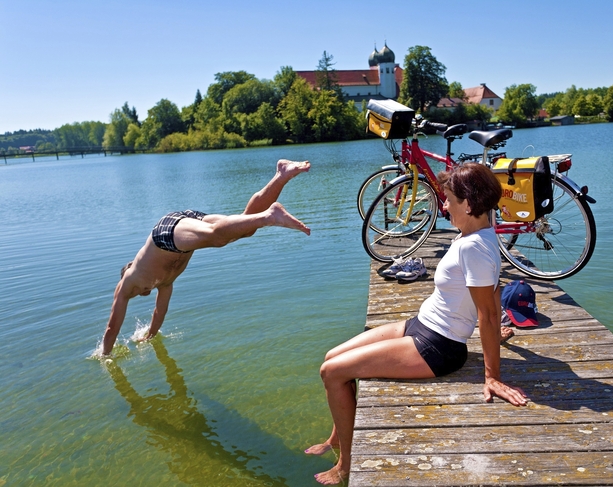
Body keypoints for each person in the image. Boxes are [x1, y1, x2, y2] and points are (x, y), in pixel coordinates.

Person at [305, 163, 528, 485]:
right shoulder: (479, 235)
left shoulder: (474, 247)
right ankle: (337, 438)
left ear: (468, 204)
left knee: (332, 373)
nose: (444, 206)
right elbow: (492, 295)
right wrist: (496, 336)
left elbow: (489, 313)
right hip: (421, 324)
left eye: (449, 199)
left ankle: (346, 465)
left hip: (438, 347)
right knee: (331, 357)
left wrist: (492, 375)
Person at [100, 159, 311, 356]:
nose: (142, 294)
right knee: (245, 227)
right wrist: (149, 337)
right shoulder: (164, 283)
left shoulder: (128, 281)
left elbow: (111, 328)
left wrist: (105, 356)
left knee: (217, 238)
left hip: (165, 234)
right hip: (181, 228)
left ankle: (270, 216)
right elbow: (159, 312)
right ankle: (281, 174)